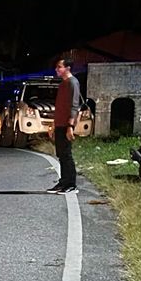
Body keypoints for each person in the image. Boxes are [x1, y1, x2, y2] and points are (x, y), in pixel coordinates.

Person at [46, 56, 82, 194]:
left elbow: (74, 106)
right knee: (61, 154)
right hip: (60, 124)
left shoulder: (73, 83)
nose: (57, 69)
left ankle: (71, 184)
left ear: (67, 68)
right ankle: (63, 182)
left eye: (59, 67)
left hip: (67, 124)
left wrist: (70, 126)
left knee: (66, 154)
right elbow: (60, 107)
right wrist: (54, 126)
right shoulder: (62, 84)